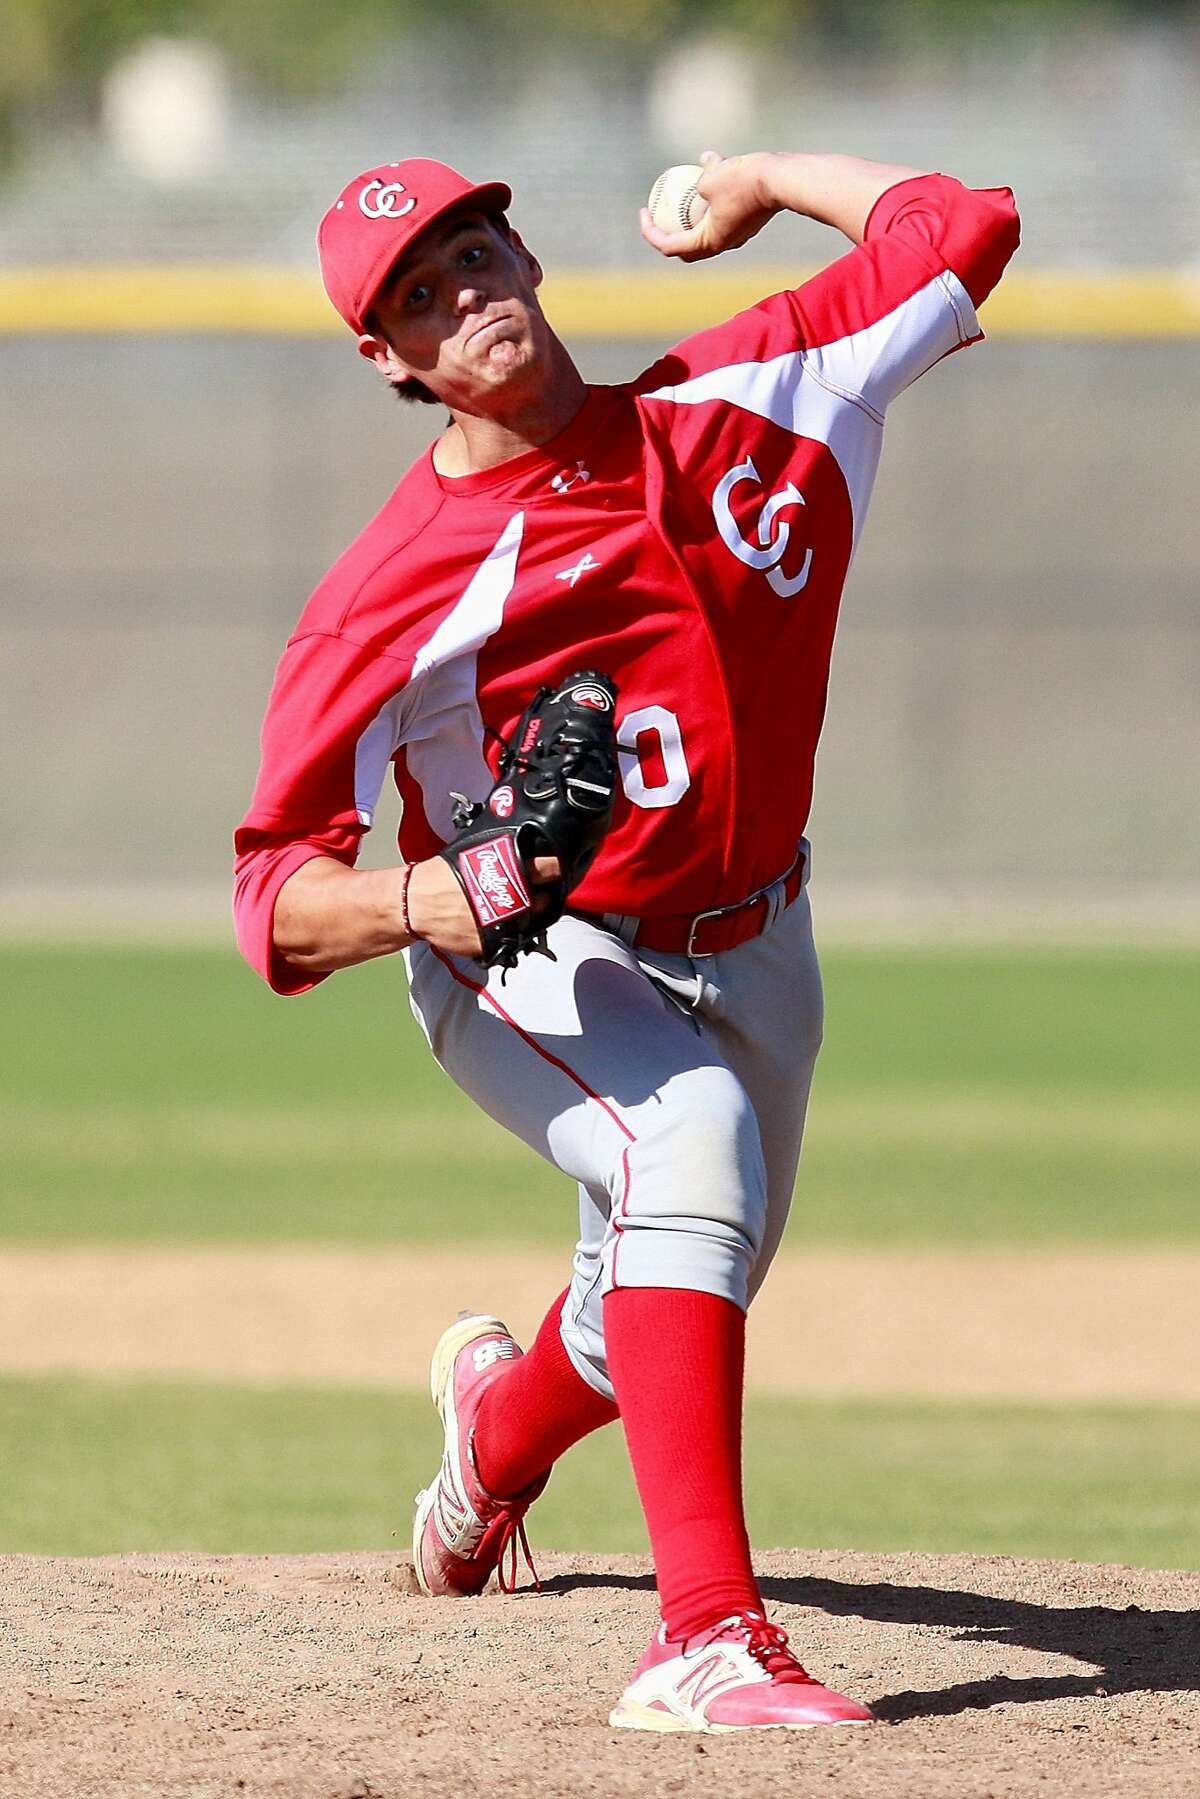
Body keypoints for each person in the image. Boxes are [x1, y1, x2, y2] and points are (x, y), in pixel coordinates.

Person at [234, 148, 1019, 1733]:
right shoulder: (393, 589)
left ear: (523, 251)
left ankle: (485, 1454)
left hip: (764, 931)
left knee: (662, 1282)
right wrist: (426, 902)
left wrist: (754, 178)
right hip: (528, 954)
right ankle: (706, 1640)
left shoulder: (756, 397)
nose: (465, 296)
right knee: (693, 1153)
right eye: (419, 297)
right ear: (388, 357)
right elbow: (273, 901)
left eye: (471, 251)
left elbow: (970, 225)